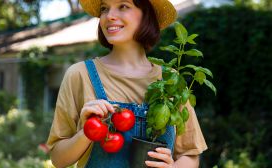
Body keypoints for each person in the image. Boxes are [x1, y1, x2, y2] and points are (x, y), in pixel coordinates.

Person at [46, 0, 208, 167]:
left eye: (123, 6)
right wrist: (87, 132)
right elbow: (58, 159)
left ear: (147, 15)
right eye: (104, 8)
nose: (109, 16)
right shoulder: (80, 75)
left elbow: (190, 154)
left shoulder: (170, 80)